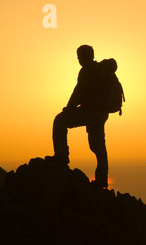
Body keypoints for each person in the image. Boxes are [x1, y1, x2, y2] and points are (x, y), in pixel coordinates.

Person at [46, 45, 109, 188]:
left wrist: (69, 109)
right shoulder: (100, 70)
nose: (78, 59)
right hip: (101, 114)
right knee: (98, 146)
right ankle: (101, 179)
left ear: (83, 56)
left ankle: (61, 156)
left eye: (79, 56)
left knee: (60, 121)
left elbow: (78, 93)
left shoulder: (87, 71)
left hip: (91, 112)